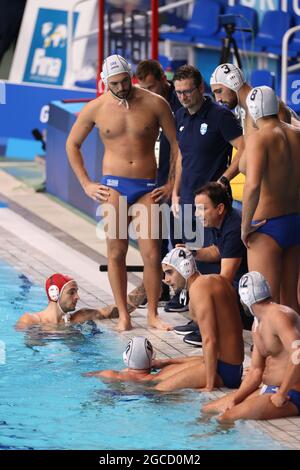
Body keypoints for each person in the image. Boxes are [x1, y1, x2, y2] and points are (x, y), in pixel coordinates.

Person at [66, 54, 179, 332]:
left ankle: (153, 314)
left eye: (125, 81)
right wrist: (87, 184)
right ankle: (125, 318)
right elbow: (72, 145)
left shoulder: (156, 103)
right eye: (114, 83)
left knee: (152, 254)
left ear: (132, 77)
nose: (121, 87)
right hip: (114, 187)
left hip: (147, 188)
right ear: (106, 82)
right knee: (116, 252)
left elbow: (177, 147)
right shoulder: (96, 108)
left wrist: (170, 185)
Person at [170, 64, 244, 310]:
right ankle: (196, 310)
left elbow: (245, 150)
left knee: (213, 259)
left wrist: (224, 179)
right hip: (188, 200)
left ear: (200, 88)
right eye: (178, 92)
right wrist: (175, 191)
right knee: (191, 258)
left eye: (187, 91)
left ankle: (216, 312)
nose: (182, 97)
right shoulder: (179, 116)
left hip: (212, 202)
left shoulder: (220, 116)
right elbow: (182, 156)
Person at [203, 271, 300, 422]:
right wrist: (236, 399)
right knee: (208, 410)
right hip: (269, 389)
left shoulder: (280, 316)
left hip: (291, 393)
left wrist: (282, 393)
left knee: (227, 418)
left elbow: (298, 354)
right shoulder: (257, 324)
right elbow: (255, 371)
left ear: (244, 299)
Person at [240, 86, 300, 312]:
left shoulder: (259, 139)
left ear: (253, 112)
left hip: (265, 227)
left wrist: (245, 226)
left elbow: (252, 184)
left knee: (265, 304)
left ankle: (265, 349)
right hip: (294, 221)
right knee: (291, 303)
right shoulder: (297, 134)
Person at [154, 247, 244, 392]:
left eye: (170, 272)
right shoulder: (218, 280)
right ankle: (168, 362)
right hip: (233, 368)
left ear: (185, 268)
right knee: (163, 372)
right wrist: (168, 361)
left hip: (222, 371)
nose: (166, 280)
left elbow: (209, 339)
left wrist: (209, 385)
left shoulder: (199, 289)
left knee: (159, 389)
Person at [174, 182, 250, 346]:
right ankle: (202, 321)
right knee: (196, 265)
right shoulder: (220, 222)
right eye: (196, 209)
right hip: (238, 286)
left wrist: (201, 288)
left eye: (202, 209)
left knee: (208, 283)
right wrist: (191, 251)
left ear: (220, 209)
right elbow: (217, 251)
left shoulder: (233, 227)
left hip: (247, 301)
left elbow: (225, 280)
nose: (197, 214)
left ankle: (211, 328)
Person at [134, 59, 183, 307]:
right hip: (151, 180)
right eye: (143, 87)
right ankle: (161, 288)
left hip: (173, 182)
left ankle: (182, 293)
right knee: (155, 239)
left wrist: (171, 183)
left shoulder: (178, 103)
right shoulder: (141, 102)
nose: (148, 92)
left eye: (152, 87)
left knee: (180, 237)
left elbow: (180, 149)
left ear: (164, 79)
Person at [210, 62, 300, 136]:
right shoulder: (240, 111)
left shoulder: (263, 102)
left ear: (234, 82)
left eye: (219, 91)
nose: (218, 99)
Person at [16, 273, 116, 329]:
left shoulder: (80, 316)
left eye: (76, 292)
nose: (77, 297)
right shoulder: (30, 320)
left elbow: (109, 311)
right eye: (71, 292)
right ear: (54, 294)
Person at [84, 335, 155, 381]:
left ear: (125, 358)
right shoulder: (156, 378)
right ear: (152, 358)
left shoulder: (110, 374)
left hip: (116, 395)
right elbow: (166, 368)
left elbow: (86, 374)